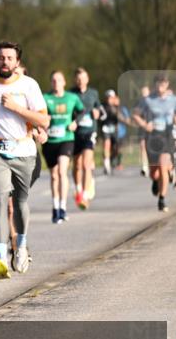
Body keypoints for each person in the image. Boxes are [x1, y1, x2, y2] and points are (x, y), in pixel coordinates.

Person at [0, 42, 50, 279]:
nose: (4, 61)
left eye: (9, 58)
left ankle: (22, 245)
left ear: (17, 63)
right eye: (1, 57)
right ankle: (0, 258)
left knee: (19, 202)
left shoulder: (29, 85)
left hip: (24, 151)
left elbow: (44, 120)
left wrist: (16, 108)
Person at [133, 74, 176, 212]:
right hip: (153, 137)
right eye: (158, 83)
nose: (161, 86)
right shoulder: (148, 100)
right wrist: (144, 124)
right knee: (155, 173)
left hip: (167, 136)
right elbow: (136, 114)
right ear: (155, 85)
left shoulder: (173, 100)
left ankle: (162, 199)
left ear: (167, 84)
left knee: (163, 165)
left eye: (163, 83)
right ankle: (156, 181)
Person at [42, 71, 85, 224]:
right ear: (51, 82)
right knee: (54, 175)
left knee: (62, 172)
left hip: (66, 139)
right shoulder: (45, 98)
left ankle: (63, 207)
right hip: (49, 141)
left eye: (59, 80)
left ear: (64, 82)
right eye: (53, 80)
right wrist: (43, 121)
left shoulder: (72, 97)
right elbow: (38, 113)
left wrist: (75, 122)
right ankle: (55, 208)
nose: (56, 83)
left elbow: (82, 110)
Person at [70, 68, 102, 210]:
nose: (80, 81)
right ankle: (78, 189)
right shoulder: (70, 93)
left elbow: (100, 109)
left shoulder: (93, 93)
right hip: (75, 133)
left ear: (87, 79)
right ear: (75, 80)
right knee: (76, 165)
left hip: (90, 132)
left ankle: (84, 195)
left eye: (83, 78)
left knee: (86, 164)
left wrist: (98, 112)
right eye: (78, 78)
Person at [99, 89, 130, 174]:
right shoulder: (102, 106)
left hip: (115, 130)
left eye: (111, 97)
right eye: (108, 97)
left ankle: (113, 159)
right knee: (106, 145)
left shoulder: (118, 107)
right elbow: (100, 118)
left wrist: (117, 110)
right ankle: (106, 164)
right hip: (105, 128)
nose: (110, 99)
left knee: (116, 148)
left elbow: (124, 119)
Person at [138, 85, 152, 176]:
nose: (144, 94)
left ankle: (151, 166)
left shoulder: (154, 102)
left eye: (146, 92)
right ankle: (144, 166)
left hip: (152, 128)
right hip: (142, 128)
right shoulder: (139, 103)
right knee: (143, 147)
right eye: (143, 92)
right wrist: (143, 123)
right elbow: (135, 115)